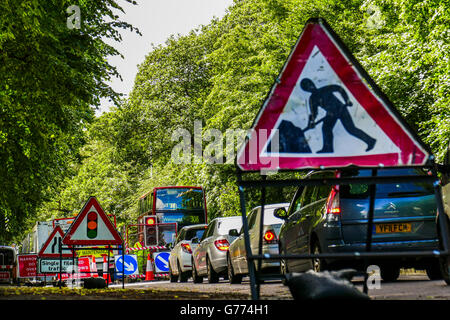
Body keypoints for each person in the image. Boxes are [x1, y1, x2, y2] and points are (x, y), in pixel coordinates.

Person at [300, 78, 376, 153]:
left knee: (351, 129)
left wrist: (347, 100)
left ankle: (370, 141)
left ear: (313, 83)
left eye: (310, 84)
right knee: (326, 128)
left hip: (341, 109)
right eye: (307, 87)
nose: (310, 87)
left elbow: (339, 88)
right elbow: (314, 113)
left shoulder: (325, 89)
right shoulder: (313, 99)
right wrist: (311, 122)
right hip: (331, 114)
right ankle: (328, 148)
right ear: (306, 90)